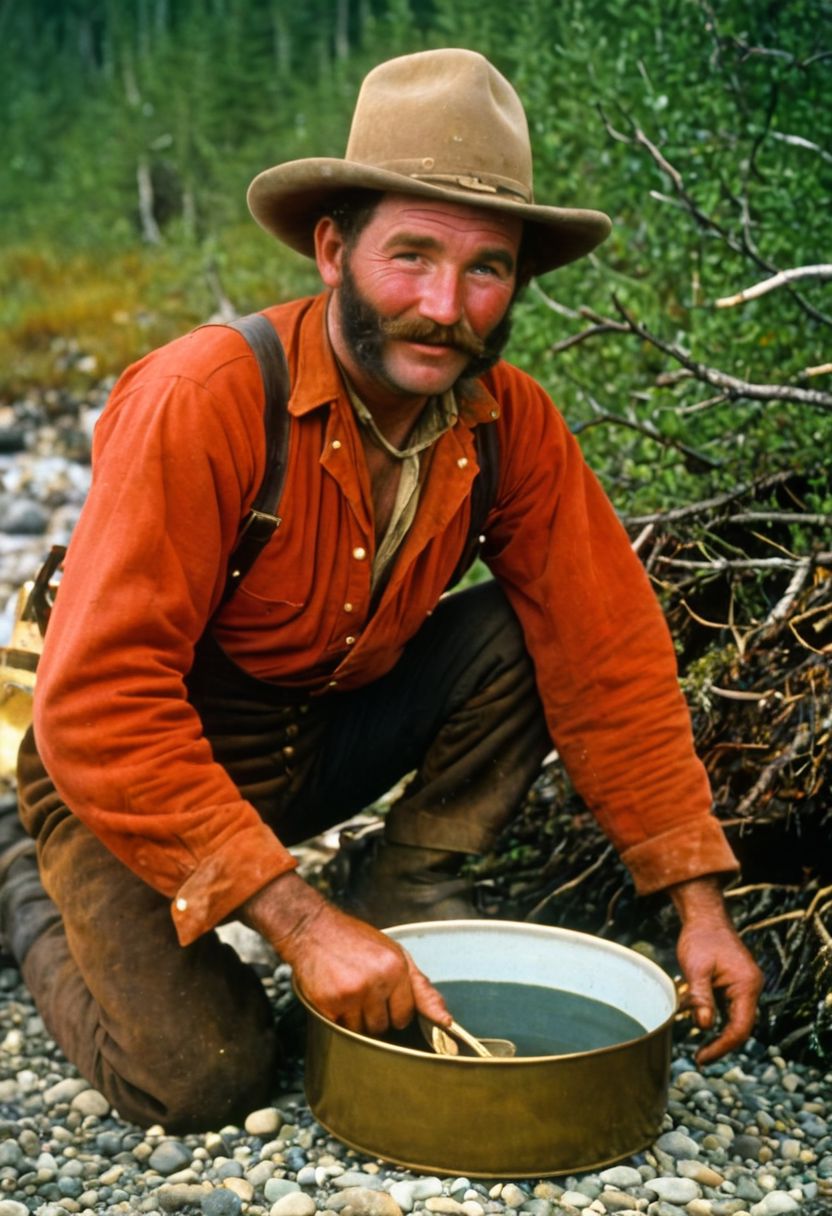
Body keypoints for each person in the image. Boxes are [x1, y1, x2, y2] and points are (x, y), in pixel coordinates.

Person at [0, 47, 761, 1132]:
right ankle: (21, 884)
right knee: (201, 1078)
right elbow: (98, 705)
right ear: (332, 250)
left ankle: (401, 888)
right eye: (410, 255)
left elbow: (609, 653)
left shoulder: (511, 422)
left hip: (315, 750)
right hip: (125, 781)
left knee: (529, 628)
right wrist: (301, 926)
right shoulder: (205, 397)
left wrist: (696, 900)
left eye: (485, 268)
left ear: (517, 284)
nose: (444, 307)